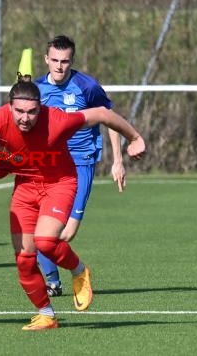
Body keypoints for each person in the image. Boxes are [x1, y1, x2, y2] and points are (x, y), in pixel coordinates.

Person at [0, 75, 145, 330]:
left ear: (41, 107)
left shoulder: (57, 120)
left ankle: (79, 270)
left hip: (59, 183)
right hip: (25, 187)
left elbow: (103, 113)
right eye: (19, 112)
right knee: (25, 260)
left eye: (32, 112)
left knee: (45, 242)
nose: (25, 118)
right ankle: (47, 315)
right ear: (9, 107)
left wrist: (135, 138)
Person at [34, 35, 126, 297]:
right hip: (50, 164)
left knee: (65, 234)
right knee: (40, 232)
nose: (59, 66)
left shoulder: (87, 87)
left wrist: (117, 161)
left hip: (81, 162)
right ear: (46, 59)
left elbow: (110, 120)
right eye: (54, 60)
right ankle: (52, 281)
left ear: (72, 61)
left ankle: (77, 270)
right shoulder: (37, 89)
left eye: (65, 61)